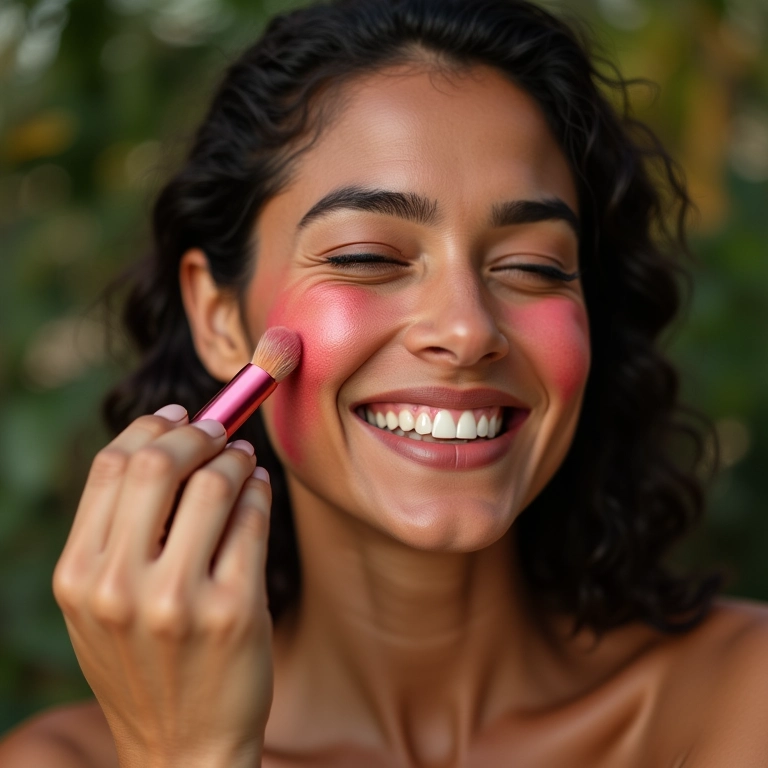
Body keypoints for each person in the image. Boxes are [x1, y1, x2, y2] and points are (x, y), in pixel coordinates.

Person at [2, 0, 768, 765]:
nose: (468, 330)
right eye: (367, 257)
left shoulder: (744, 698)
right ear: (217, 315)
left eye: (533, 267)